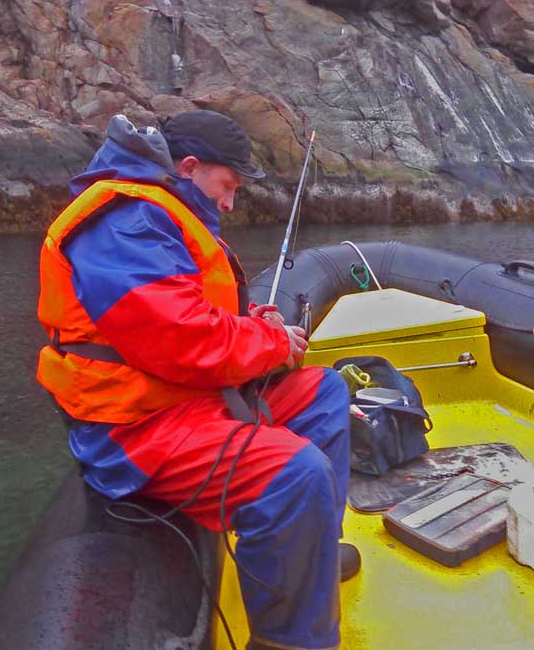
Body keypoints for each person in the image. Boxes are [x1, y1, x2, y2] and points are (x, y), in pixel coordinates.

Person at [37, 109, 357, 650]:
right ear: (189, 167)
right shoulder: (127, 221)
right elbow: (180, 340)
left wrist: (254, 323)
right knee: (297, 473)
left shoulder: (161, 215)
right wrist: (273, 343)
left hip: (187, 400)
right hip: (135, 427)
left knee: (325, 392)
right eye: (227, 186)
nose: (229, 203)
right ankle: (289, 640)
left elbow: (186, 315)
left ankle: (314, 553)